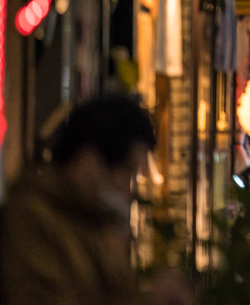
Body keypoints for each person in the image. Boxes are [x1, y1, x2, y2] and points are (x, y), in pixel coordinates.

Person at [0, 95, 191, 305]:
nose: (132, 189)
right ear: (89, 162)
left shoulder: (98, 225)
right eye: (129, 172)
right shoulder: (31, 219)